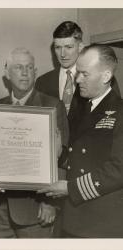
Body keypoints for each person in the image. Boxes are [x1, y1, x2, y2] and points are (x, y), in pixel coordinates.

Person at [0, 47, 69, 238]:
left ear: (35, 73)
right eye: (19, 67)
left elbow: (62, 158)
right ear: (7, 73)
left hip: (34, 210)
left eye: (29, 67)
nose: (25, 72)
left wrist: (50, 202)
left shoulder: (52, 106)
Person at [37, 44, 123, 238]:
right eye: (78, 73)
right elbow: (80, 155)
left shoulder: (120, 112)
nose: (77, 79)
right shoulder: (83, 107)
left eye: (85, 74)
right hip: (74, 216)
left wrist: (70, 188)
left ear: (106, 76)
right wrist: (59, 154)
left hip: (102, 222)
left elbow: (119, 170)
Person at [35, 21, 120, 132]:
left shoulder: (102, 79)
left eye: (68, 47)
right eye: (57, 47)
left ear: (80, 46)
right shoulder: (43, 81)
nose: (62, 54)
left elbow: (112, 118)